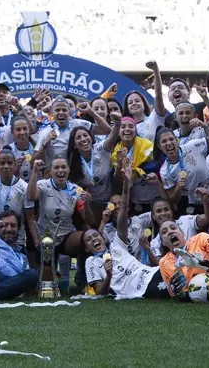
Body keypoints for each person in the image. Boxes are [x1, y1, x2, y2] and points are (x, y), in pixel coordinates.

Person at [84, 165, 169, 298]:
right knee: (176, 289)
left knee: (184, 273)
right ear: (86, 247)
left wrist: (126, 187)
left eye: (95, 235)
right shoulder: (91, 262)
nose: (94, 239)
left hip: (152, 271)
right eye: (89, 239)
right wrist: (109, 276)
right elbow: (100, 293)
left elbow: (123, 214)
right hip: (142, 288)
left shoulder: (116, 245)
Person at [66, 112, 120, 220]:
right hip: (94, 202)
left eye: (85, 135)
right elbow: (73, 188)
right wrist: (83, 196)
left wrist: (118, 124)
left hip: (113, 197)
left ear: (91, 138)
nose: (83, 139)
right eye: (78, 138)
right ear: (74, 145)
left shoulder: (100, 149)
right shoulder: (73, 163)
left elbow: (112, 138)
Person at [122, 61, 166, 141]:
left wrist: (156, 71)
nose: (134, 103)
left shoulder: (155, 118)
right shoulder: (126, 127)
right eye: (130, 102)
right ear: (127, 108)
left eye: (137, 100)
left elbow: (158, 95)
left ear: (144, 103)